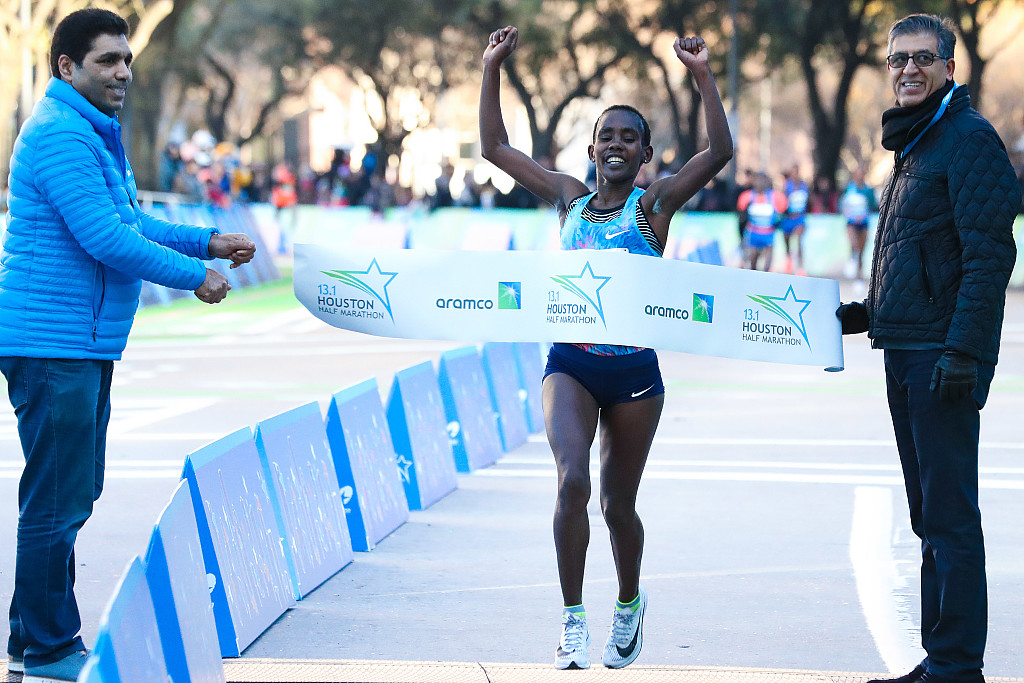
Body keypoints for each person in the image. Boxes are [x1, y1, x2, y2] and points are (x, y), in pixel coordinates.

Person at [0, 9, 256, 681]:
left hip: (77, 344)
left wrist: (207, 241)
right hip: (53, 345)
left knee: (70, 493)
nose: (123, 72)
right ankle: (49, 647)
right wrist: (194, 275)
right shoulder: (60, 135)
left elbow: (130, 222)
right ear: (66, 67)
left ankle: (30, 638)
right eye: (107, 61)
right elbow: (105, 238)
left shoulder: (88, 130)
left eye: (126, 60)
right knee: (58, 500)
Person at [480, 25, 732, 670]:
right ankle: (572, 620)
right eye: (606, 136)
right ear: (592, 149)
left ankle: (628, 603)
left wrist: (702, 75)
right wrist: (492, 67)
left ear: (645, 153)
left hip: (634, 376)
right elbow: (494, 148)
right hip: (570, 364)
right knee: (572, 481)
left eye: (628, 137)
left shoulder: (654, 206)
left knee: (619, 506)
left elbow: (719, 152)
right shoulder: (568, 199)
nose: (616, 144)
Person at [836, 14, 1019, 683]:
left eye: (921, 57)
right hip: (908, 347)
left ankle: (958, 665)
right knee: (928, 515)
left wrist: (963, 351)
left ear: (948, 67)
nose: (908, 69)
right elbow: (923, 255)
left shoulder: (967, 138)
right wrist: (866, 314)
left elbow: (989, 255)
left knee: (950, 516)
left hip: (942, 357)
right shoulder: (919, 141)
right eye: (897, 59)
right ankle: (940, 660)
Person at [736, 171, 787, 271]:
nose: (760, 183)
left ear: (767, 182)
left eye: (763, 180)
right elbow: (741, 218)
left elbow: (782, 215)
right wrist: (742, 238)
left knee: (767, 267)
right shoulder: (746, 197)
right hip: (753, 234)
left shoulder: (776, 197)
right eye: (758, 180)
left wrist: (777, 224)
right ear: (754, 181)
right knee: (753, 264)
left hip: (768, 234)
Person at [839, 167, 877, 286]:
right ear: (854, 176)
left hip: (864, 223)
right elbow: (842, 204)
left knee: (861, 251)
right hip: (851, 223)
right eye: (858, 174)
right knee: (854, 244)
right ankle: (851, 260)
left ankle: (858, 278)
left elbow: (873, 205)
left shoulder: (868, 190)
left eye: (862, 175)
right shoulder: (849, 189)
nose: (860, 177)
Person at [779, 166, 809, 275]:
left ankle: (800, 267)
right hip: (788, 218)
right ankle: (789, 260)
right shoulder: (787, 186)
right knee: (787, 241)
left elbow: (808, 200)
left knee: (799, 240)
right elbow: (782, 201)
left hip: (799, 218)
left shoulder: (804, 186)